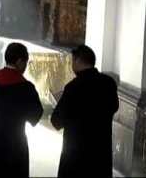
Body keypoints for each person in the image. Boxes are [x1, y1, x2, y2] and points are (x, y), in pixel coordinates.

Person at [0, 43, 43, 178]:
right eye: (25, 62)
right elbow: (35, 115)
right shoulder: (27, 88)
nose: (25, 66)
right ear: (19, 61)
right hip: (15, 143)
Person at [51, 45, 119, 177]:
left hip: (76, 158)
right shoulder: (109, 83)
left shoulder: (73, 87)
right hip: (100, 156)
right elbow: (114, 107)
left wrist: (58, 103)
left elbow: (56, 122)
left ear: (77, 61)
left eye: (72, 61)